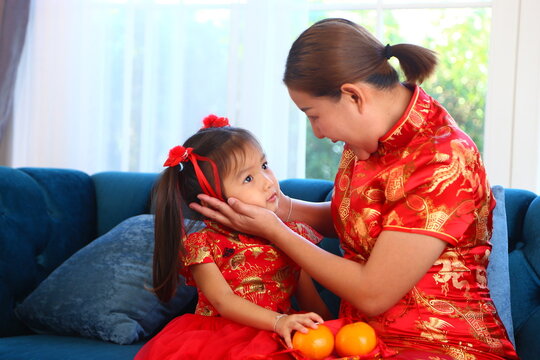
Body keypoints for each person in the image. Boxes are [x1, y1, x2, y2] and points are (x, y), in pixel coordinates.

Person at [190, 19, 519, 359]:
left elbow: (372, 293)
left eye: (313, 115)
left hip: (437, 346)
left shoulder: (442, 157)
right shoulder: (366, 139)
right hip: (358, 338)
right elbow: (370, 228)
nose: (316, 132)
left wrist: (275, 230)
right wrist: (280, 208)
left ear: (353, 96)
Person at [135, 115, 332, 360]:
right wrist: (279, 321)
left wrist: (332, 329)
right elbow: (223, 301)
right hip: (220, 341)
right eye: (248, 178)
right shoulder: (203, 244)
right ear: (213, 200)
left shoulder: (290, 234)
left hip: (280, 333)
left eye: (264, 165)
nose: (267, 182)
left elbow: (310, 299)